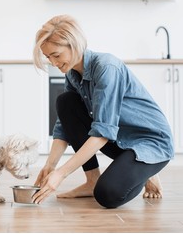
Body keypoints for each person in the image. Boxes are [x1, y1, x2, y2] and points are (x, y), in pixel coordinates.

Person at [32, 15, 174, 208]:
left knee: (107, 194)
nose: (54, 63)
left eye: (56, 55)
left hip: (150, 142)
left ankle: (146, 167)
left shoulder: (107, 67)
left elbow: (102, 132)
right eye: (48, 57)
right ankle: (92, 181)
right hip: (119, 139)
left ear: (74, 44)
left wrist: (61, 173)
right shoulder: (72, 73)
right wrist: (50, 166)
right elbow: (65, 125)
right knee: (65, 102)